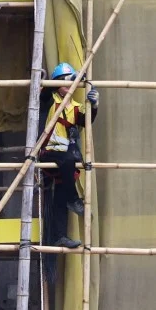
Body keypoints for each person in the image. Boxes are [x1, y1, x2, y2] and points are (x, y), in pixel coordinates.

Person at [37, 62, 99, 250]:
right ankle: (74, 199)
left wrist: (95, 105)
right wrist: (75, 77)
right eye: (62, 81)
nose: (67, 84)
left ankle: (60, 236)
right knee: (68, 161)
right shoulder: (50, 99)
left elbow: (86, 121)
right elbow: (46, 93)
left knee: (60, 196)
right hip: (48, 152)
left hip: (64, 158)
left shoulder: (75, 106)